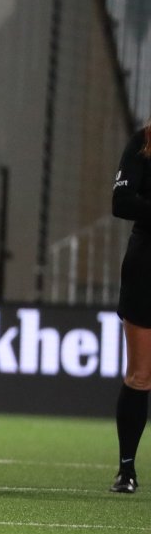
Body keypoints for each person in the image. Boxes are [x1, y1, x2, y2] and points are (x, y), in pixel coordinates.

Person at [111, 120, 151, 494]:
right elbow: (121, 202)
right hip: (146, 267)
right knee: (141, 375)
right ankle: (126, 469)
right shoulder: (143, 141)